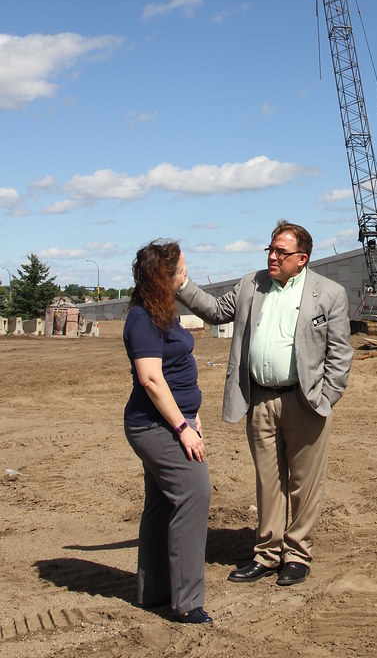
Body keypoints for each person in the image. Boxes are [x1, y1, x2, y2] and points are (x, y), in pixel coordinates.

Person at [177, 219, 353, 587]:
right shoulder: (251, 285)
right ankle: (267, 553)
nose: (272, 257)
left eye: (281, 252)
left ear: (302, 258)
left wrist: (326, 398)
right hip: (259, 401)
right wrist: (181, 283)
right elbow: (213, 310)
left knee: (304, 484)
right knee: (268, 482)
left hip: (305, 403)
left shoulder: (330, 294)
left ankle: (297, 556)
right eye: (270, 250)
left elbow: (340, 354)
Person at [123, 240, 213, 625]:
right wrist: (182, 428)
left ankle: (155, 590)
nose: (186, 276)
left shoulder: (162, 312)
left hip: (175, 421)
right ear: (164, 277)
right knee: (194, 493)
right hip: (154, 424)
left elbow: (176, 376)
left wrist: (194, 419)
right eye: (182, 271)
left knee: (162, 502)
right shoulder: (143, 317)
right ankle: (187, 601)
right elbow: (151, 379)